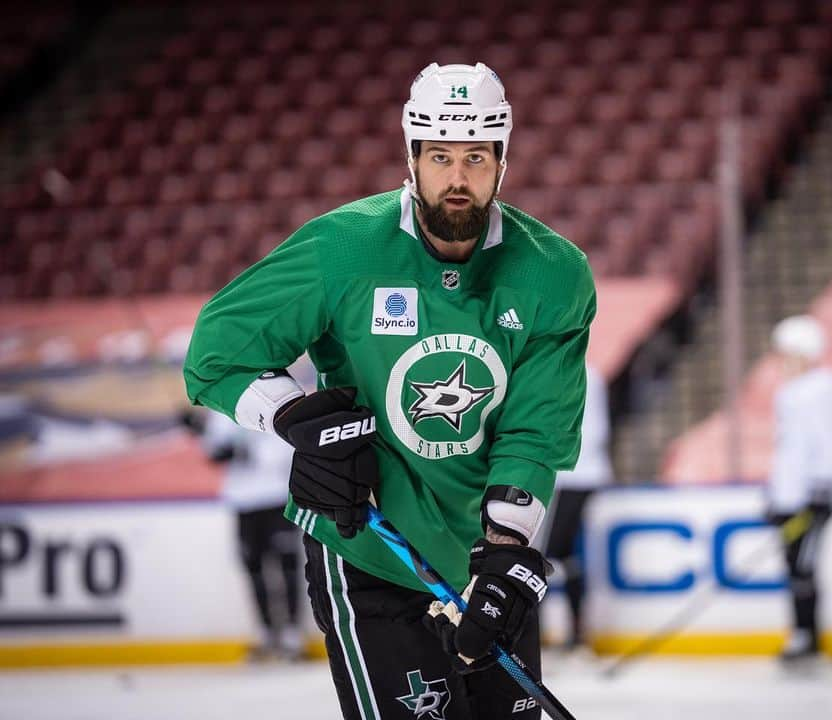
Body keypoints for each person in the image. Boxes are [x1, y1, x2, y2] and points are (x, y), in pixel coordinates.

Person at [183, 62, 595, 720]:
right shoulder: (342, 249)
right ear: (411, 157)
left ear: (501, 161)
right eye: (439, 157)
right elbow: (215, 353)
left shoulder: (554, 272)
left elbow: (534, 431)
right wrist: (296, 419)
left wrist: (508, 550)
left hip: (484, 558)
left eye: (475, 158)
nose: (457, 180)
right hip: (367, 548)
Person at [764, 315, 832, 662]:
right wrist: (775, 494)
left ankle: (808, 636)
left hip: (812, 496)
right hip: (790, 497)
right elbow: (789, 450)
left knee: (804, 566)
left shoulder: (823, 387)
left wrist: (823, 487)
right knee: (793, 565)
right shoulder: (791, 391)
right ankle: (802, 634)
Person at [200, 410, 304, 662]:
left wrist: (249, 454)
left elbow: (287, 447)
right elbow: (213, 450)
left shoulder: (270, 404)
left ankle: (292, 636)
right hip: (243, 501)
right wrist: (198, 432)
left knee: (287, 567)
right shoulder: (221, 411)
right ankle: (266, 633)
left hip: (276, 497)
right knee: (254, 569)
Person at [542, 363, 613, 649]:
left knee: (545, 553)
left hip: (569, 476)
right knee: (565, 554)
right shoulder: (588, 373)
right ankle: (575, 632)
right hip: (573, 475)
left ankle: (542, 631)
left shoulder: (579, 373)